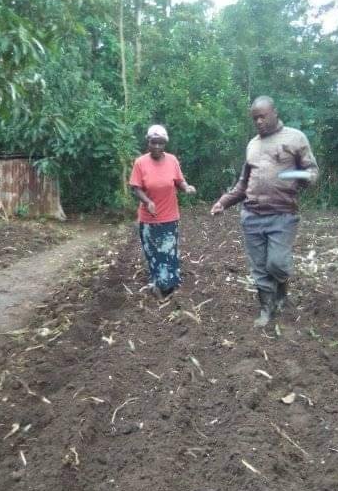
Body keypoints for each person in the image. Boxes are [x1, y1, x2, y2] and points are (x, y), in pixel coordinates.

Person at [211, 96, 319, 327]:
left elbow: (312, 171)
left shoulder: (295, 138)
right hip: (252, 215)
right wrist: (224, 202)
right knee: (259, 268)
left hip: (283, 215)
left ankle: (282, 287)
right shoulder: (252, 145)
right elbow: (243, 184)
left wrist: (302, 176)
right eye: (255, 118)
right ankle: (265, 309)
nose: (259, 121)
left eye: (262, 116)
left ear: (274, 113)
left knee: (276, 263)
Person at [130, 124, 196, 299]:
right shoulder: (140, 163)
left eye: (161, 143)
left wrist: (186, 187)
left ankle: (171, 285)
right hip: (148, 219)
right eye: (154, 142)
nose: (157, 146)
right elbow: (136, 187)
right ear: (148, 142)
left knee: (169, 252)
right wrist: (147, 201)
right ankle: (158, 285)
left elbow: (179, 181)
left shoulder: (172, 160)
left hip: (169, 216)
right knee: (153, 254)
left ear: (165, 143)